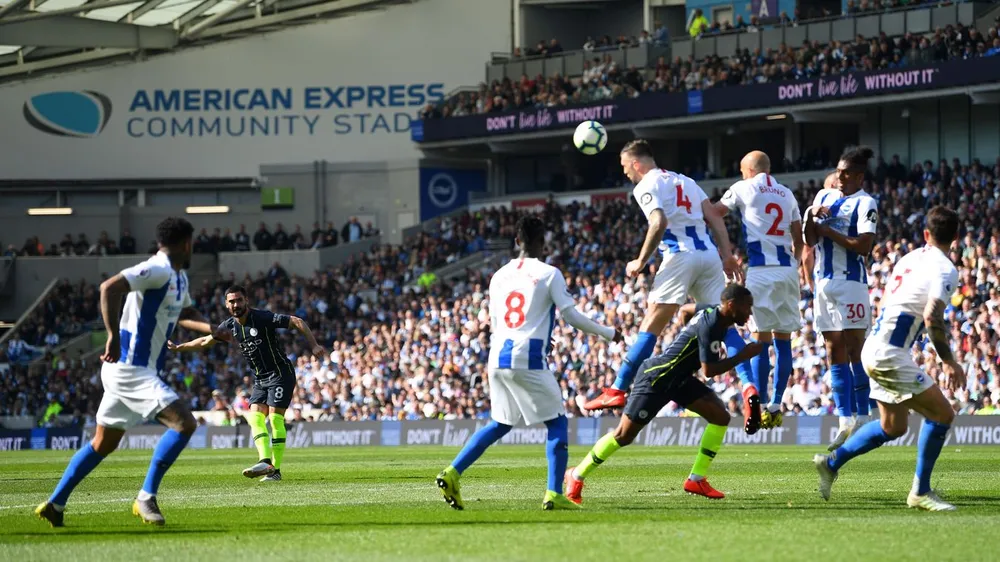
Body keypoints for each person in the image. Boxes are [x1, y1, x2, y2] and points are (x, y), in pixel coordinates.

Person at [35, 217, 214, 527]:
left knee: (104, 442)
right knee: (184, 423)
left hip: (134, 371)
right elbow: (110, 287)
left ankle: (56, 503)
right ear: (186, 243)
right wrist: (112, 335)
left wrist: (217, 329)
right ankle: (145, 497)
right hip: (130, 367)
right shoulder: (156, 269)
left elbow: (186, 313)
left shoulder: (178, 278)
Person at [435, 215, 622, 511]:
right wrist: (609, 333)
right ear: (542, 242)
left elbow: (497, 323)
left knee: (500, 423)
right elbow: (571, 317)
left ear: (516, 242)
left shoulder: (498, 276)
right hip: (528, 355)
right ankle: (553, 493)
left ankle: (453, 471)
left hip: (497, 356)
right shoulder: (549, 273)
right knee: (557, 422)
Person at [814, 205, 963, 511]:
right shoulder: (946, 268)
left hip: (875, 346)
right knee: (943, 415)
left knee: (893, 426)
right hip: (890, 354)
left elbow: (900, 302)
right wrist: (949, 360)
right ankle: (920, 492)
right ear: (956, 237)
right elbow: (932, 317)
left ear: (925, 234)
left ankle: (831, 463)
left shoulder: (909, 259)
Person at [565, 284, 762, 503]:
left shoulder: (713, 312)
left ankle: (696, 478)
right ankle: (576, 474)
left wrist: (687, 336)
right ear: (732, 305)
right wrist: (743, 354)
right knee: (623, 435)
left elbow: (686, 310)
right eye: (747, 307)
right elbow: (709, 371)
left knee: (720, 417)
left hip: (679, 379)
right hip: (656, 379)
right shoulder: (712, 326)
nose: (750, 313)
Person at [584, 139, 741, 413]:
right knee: (724, 323)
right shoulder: (687, 181)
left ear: (635, 163)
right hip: (708, 256)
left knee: (650, 327)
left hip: (680, 257)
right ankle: (752, 387)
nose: (625, 173)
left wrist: (640, 261)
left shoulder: (646, 185)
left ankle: (618, 389)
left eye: (624, 167)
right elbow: (715, 218)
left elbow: (658, 222)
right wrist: (727, 254)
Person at [168, 285, 326, 482]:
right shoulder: (229, 326)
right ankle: (266, 462)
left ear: (246, 301)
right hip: (260, 378)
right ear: (226, 305)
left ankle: (274, 470)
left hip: (280, 373)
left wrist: (314, 345)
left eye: (239, 300)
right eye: (232, 301)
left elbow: (296, 321)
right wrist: (179, 347)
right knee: (255, 418)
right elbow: (205, 341)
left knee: (275, 419)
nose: (236, 304)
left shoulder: (261, 318)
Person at [714, 151, 803, 430]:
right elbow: (799, 240)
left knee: (761, 339)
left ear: (750, 170)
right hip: (787, 270)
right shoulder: (787, 194)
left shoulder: (744, 187)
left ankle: (761, 405)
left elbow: (715, 213)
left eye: (742, 170)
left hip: (761, 271)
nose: (741, 175)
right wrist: (795, 265)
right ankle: (777, 405)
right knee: (784, 340)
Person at [803, 146, 878, 449]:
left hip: (851, 283)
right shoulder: (823, 197)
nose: (839, 177)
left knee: (855, 348)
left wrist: (826, 230)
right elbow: (809, 239)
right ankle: (844, 419)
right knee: (833, 348)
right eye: (838, 171)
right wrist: (811, 218)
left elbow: (863, 246)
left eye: (846, 172)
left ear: (859, 176)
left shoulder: (866, 203)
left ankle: (864, 413)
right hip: (824, 283)